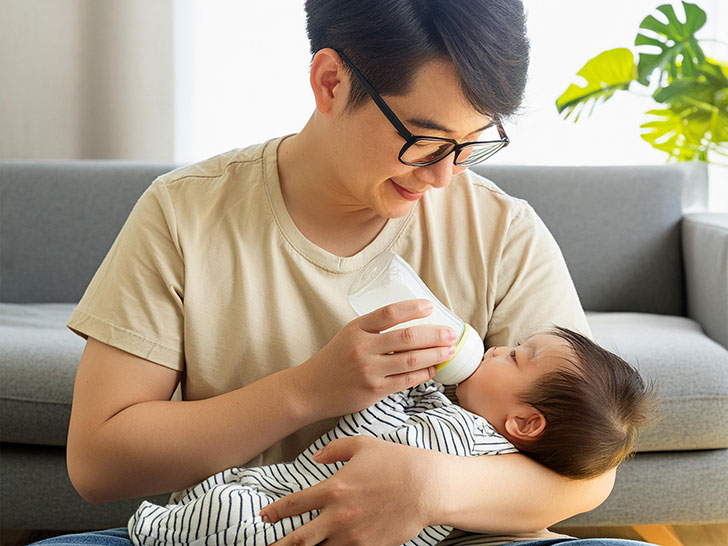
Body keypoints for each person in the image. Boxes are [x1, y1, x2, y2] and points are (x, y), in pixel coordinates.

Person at [35, 1, 657, 545]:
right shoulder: (185, 214)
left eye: (473, 143)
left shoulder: (502, 229)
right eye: (424, 139)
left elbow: (589, 474)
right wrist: (307, 390)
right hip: (245, 531)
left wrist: (430, 487)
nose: (445, 176)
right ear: (330, 81)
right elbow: (98, 463)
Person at [127, 327, 658, 546]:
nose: (496, 348)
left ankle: (151, 528)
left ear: (524, 423)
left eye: (515, 356)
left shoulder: (466, 445)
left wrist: (400, 379)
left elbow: (373, 438)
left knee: (231, 517)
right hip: (284, 495)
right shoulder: (470, 431)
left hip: (293, 524)